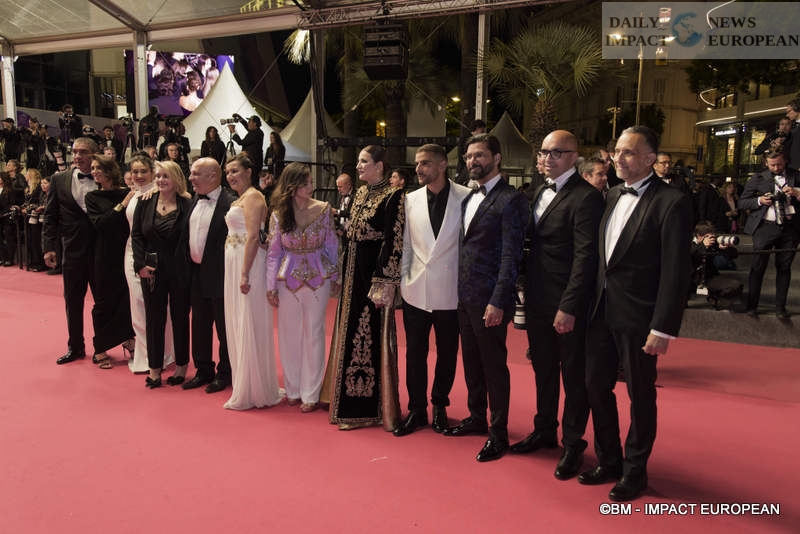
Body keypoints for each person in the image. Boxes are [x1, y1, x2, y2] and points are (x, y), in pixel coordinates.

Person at [581, 126, 692, 501]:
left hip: (640, 316)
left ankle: (635, 471)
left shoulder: (672, 202)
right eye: (616, 152)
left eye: (628, 152)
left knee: (640, 394)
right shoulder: (612, 194)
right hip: (601, 310)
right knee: (595, 385)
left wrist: (662, 327)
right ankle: (609, 459)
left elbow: (676, 271)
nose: (618, 158)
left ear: (650, 158)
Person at [511, 130, 603, 480]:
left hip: (566, 303)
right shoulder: (540, 191)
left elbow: (585, 257)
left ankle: (573, 443)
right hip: (537, 298)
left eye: (556, 152)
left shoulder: (586, 197)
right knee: (544, 369)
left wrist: (569, 306)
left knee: (573, 375)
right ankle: (544, 429)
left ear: (573, 157)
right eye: (544, 152)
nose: (547, 158)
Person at [444, 133, 528, 463]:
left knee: (493, 366)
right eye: (468, 156)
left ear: (496, 158)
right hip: (465, 297)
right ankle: (477, 416)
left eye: (479, 155)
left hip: (490, 299)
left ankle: (499, 431)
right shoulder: (469, 198)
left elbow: (511, 256)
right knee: (471, 362)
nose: (472, 161)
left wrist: (498, 300)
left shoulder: (511, 200)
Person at [320, 145, 404, 431]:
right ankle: (344, 403)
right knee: (348, 333)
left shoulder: (393, 196)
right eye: (358, 161)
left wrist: (384, 282)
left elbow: (394, 243)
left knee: (365, 337)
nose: (358, 166)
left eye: (363, 161)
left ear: (379, 166)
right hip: (351, 275)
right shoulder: (359, 193)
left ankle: (364, 409)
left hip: (372, 281)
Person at [394, 144, 470, 437]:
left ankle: (439, 404)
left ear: (442, 165)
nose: (418, 169)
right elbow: (406, 244)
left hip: (451, 290)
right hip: (416, 289)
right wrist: (404, 280)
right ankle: (416, 409)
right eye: (417, 163)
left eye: (425, 163)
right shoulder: (409, 200)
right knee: (415, 352)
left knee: (448, 352)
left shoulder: (466, 196)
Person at [267, 162, 338, 412]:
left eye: (310, 182)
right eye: (306, 183)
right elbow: (273, 253)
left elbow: (332, 244)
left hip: (319, 278)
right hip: (287, 280)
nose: (311, 186)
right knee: (289, 334)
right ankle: (293, 389)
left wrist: (336, 276)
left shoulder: (324, 209)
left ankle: (311, 393)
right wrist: (270, 285)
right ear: (293, 186)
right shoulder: (278, 214)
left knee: (314, 334)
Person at [219, 154, 282, 408]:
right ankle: (245, 381)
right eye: (228, 172)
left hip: (248, 263)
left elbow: (254, 236)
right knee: (238, 318)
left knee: (248, 318)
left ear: (248, 171)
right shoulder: (240, 198)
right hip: (235, 260)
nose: (230, 176)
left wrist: (244, 272)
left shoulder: (254, 197)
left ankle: (253, 387)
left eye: (235, 171)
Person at [132, 161, 192, 388]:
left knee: (180, 318)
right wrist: (140, 265)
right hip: (152, 270)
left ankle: (181, 366)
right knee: (153, 319)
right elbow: (137, 236)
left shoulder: (188, 204)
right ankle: (154, 369)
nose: (160, 180)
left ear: (176, 178)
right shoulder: (144, 202)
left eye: (166, 176)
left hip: (180, 270)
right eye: (158, 176)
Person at [181, 158, 235, 393]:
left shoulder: (231, 203)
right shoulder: (193, 200)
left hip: (221, 274)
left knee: (224, 328)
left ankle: (225, 373)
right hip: (196, 272)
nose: (190, 178)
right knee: (199, 324)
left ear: (213, 176)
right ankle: (203, 370)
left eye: (195, 174)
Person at [43, 137, 99, 364]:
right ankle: (75, 347)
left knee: (103, 302)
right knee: (73, 301)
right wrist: (48, 247)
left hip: (100, 251)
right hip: (72, 251)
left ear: (94, 154)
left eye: (83, 152)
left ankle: (102, 348)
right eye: (74, 152)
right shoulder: (59, 179)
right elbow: (50, 216)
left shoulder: (106, 178)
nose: (77, 156)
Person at [124, 154, 175, 373]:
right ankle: (145, 357)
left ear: (152, 172)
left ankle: (161, 354)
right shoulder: (133, 195)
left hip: (151, 258)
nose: (139, 175)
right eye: (134, 171)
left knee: (158, 308)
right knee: (137, 307)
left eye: (143, 171)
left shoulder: (158, 194)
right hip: (130, 255)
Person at [85, 155, 136, 369]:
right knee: (103, 301)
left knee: (126, 299)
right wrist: (122, 205)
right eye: (93, 168)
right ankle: (100, 348)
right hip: (104, 254)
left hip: (126, 251)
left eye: (99, 167)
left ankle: (128, 339)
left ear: (110, 170)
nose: (94, 171)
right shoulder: (92, 197)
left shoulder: (128, 192)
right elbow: (102, 224)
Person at [738, 148, 800, 319]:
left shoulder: (796, 175)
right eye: (772, 165)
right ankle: (752, 306)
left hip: (790, 228)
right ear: (766, 163)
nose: (776, 168)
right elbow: (742, 202)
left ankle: (780, 308)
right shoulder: (757, 178)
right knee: (758, 267)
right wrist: (759, 200)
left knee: (784, 268)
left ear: (785, 161)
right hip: (764, 227)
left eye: (779, 164)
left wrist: (797, 193)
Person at [228, 114, 264, 186]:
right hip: (253, 162)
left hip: (253, 163)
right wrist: (240, 119)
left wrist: (233, 131)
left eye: (249, 121)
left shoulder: (256, 133)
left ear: (255, 123)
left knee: (252, 182)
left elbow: (241, 142)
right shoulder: (257, 131)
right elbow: (247, 126)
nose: (248, 123)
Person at [22, 168, 46, 272]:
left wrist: (29, 207)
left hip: (37, 217)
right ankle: (33, 261)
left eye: (27, 174)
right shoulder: (28, 188)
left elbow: (37, 202)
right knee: (30, 240)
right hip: (29, 217)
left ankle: (40, 263)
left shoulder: (38, 188)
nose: (25, 176)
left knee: (36, 240)